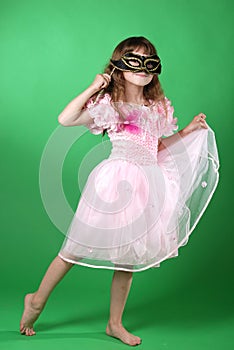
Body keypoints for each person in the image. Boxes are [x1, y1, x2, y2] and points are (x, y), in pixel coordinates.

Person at [20, 36, 219, 346]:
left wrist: (188, 130)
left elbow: (157, 148)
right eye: (134, 59)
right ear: (119, 66)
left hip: (147, 184)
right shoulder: (109, 104)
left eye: (149, 60)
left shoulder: (156, 107)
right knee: (74, 248)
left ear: (155, 69)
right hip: (115, 183)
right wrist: (92, 87)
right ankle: (35, 301)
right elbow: (66, 118)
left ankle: (114, 323)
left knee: (128, 258)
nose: (142, 66)